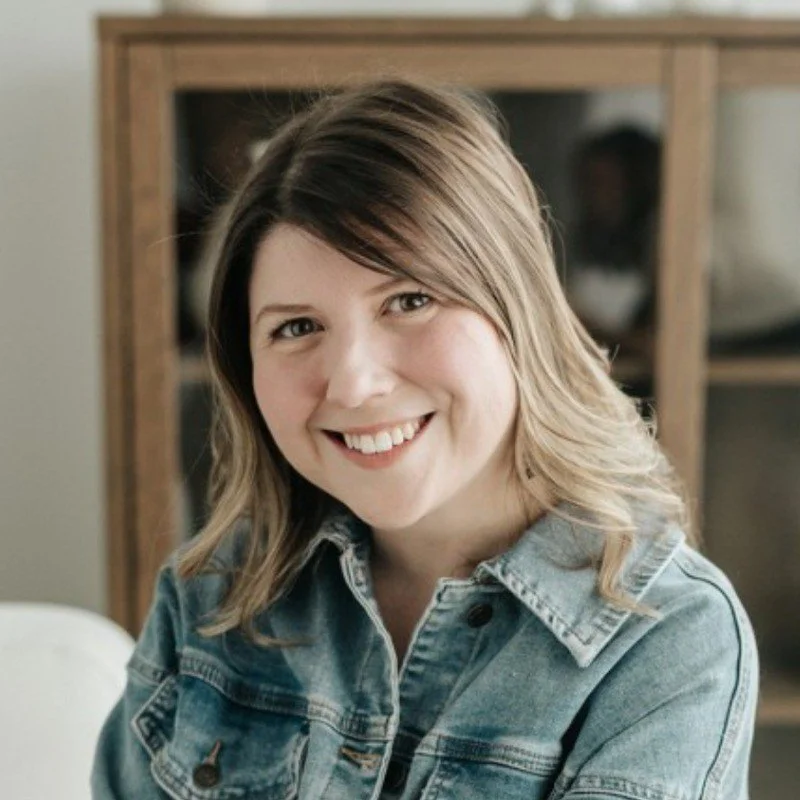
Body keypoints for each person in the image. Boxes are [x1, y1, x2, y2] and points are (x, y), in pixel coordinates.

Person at [91, 78, 758, 799]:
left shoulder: (670, 643)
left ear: (516, 308)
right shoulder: (213, 595)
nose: (351, 384)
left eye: (409, 300)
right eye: (296, 327)